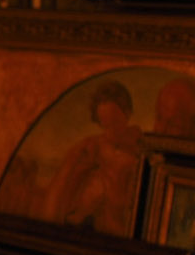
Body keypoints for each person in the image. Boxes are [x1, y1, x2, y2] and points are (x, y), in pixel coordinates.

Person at [40, 81, 143, 235]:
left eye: (115, 123)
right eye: (105, 126)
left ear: (127, 114)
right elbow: (64, 182)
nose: (111, 132)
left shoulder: (140, 146)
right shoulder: (93, 146)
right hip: (93, 223)